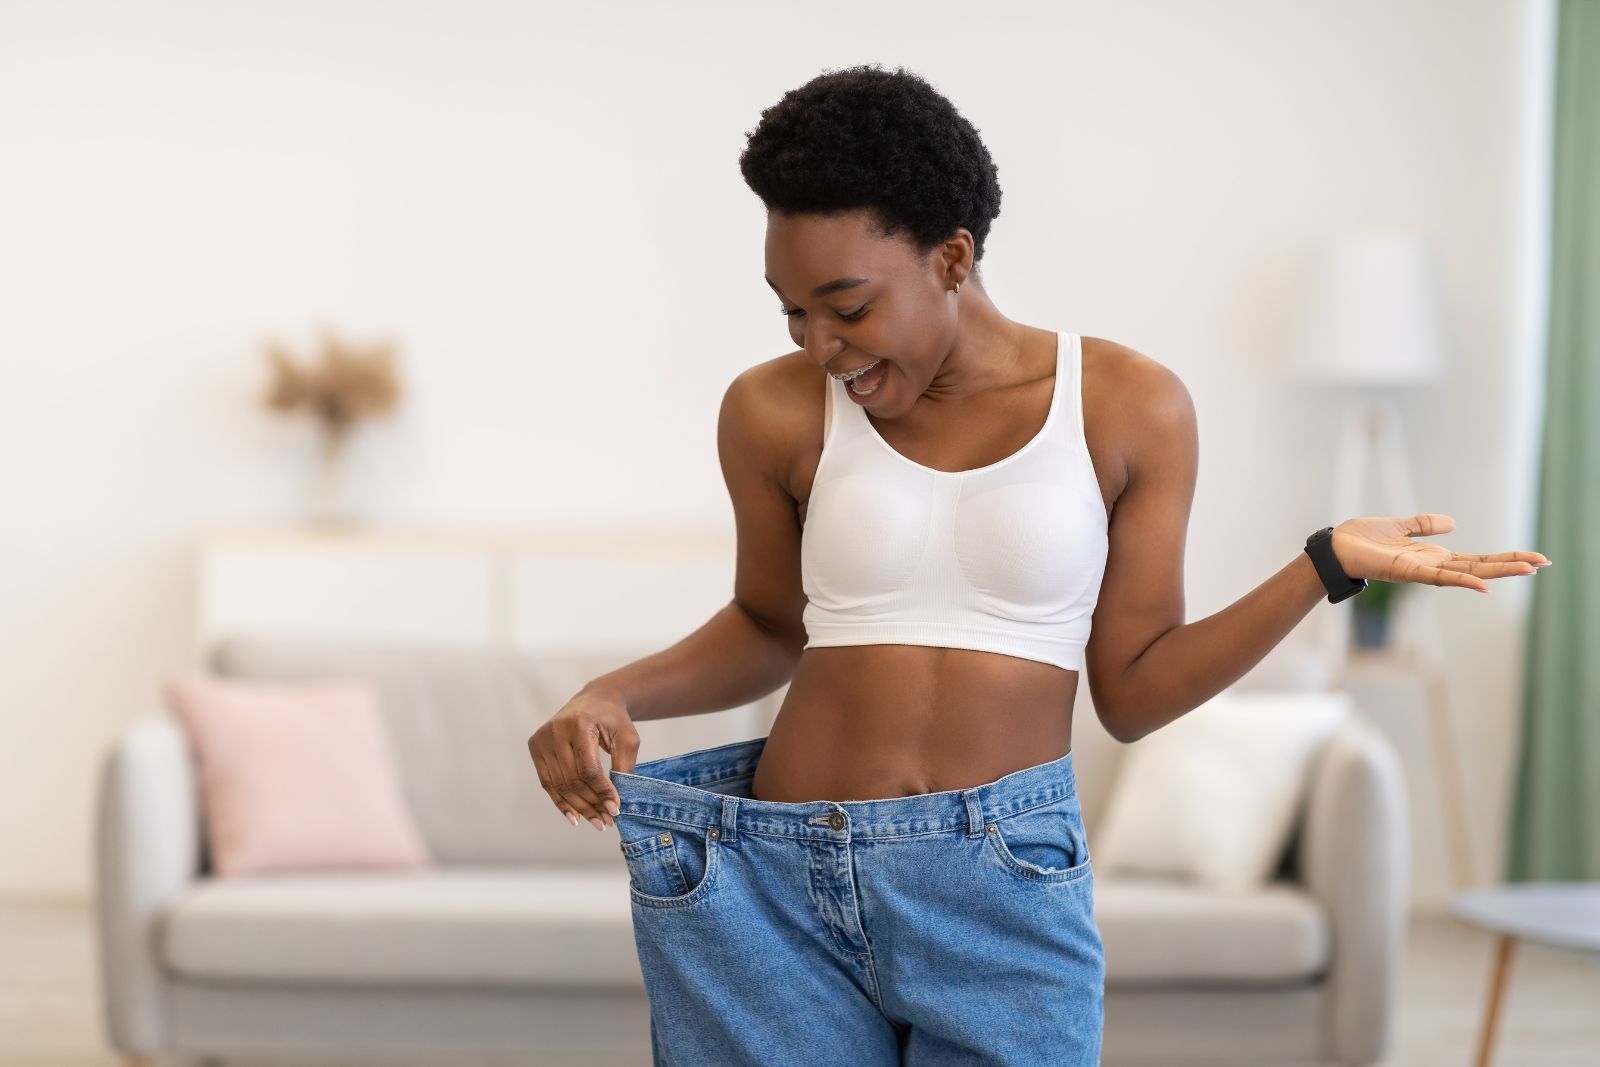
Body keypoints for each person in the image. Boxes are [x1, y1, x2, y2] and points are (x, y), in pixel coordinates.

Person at [526, 63, 1550, 1067]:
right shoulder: (771, 408)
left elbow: (1133, 688)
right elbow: (767, 623)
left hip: (1000, 879)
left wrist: (1321, 565)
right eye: (792, 310)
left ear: (952, 257)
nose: (821, 344)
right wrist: (613, 691)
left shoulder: (1128, 406)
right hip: (772, 880)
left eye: (848, 305)